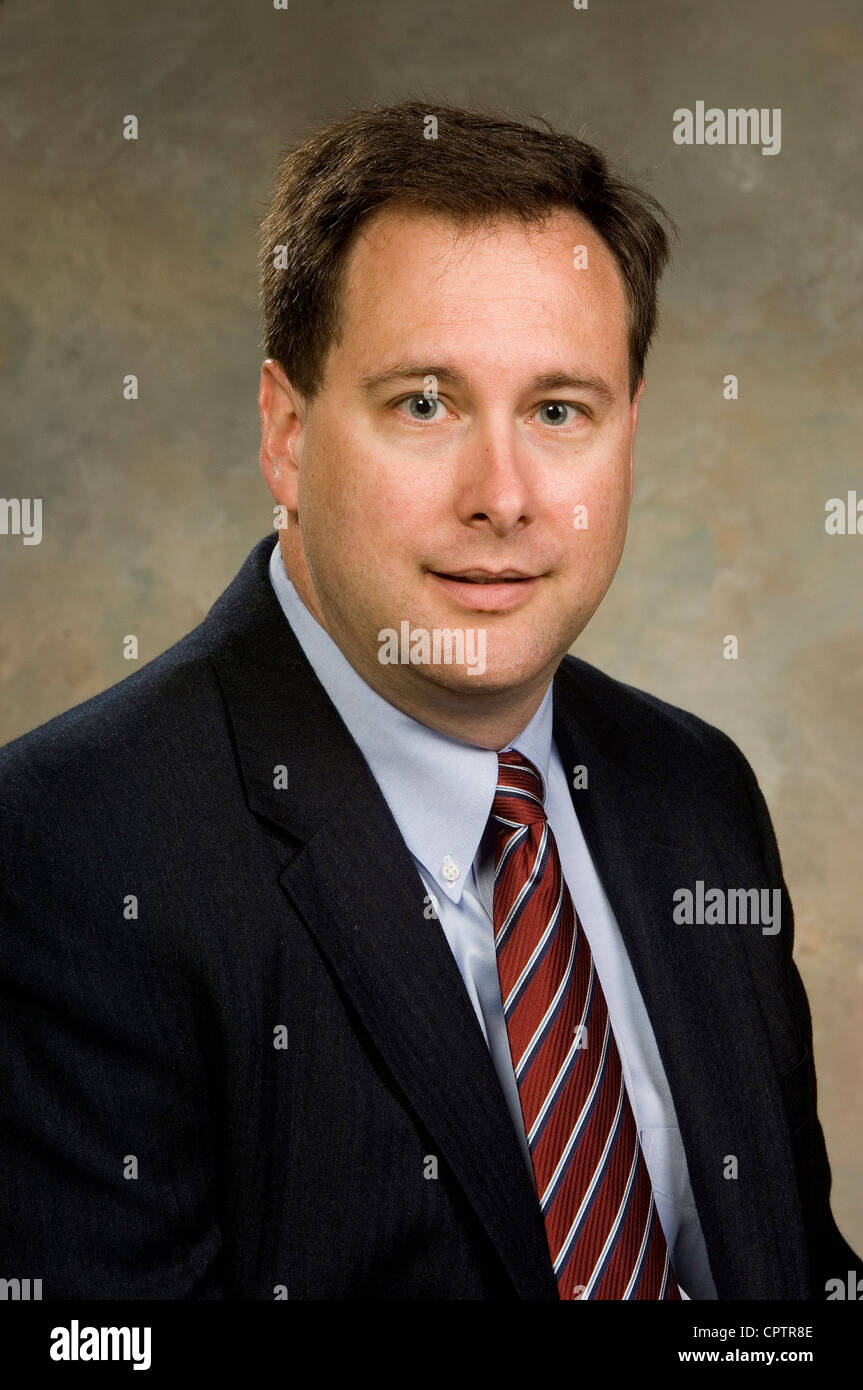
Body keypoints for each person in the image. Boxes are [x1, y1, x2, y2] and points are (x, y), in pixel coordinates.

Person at [0, 100, 857, 1301]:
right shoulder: (70, 847)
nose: (501, 496)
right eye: (424, 404)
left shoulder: (693, 789)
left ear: (627, 434)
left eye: (559, 411)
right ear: (286, 434)